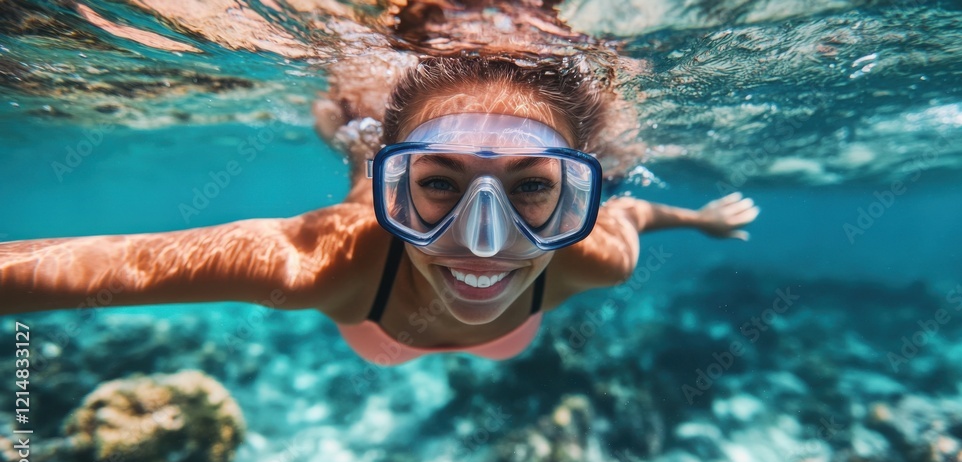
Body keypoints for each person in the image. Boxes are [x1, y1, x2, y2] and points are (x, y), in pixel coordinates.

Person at [0, 56, 758, 365]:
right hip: (378, 330)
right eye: (437, 183)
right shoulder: (327, 262)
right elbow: (117, 270)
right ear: (390, 182)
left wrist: (702, 221)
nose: (481, 243)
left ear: (575, 198)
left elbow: (634, 217)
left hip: (506, 332)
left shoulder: (594, 252)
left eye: (532, 187)